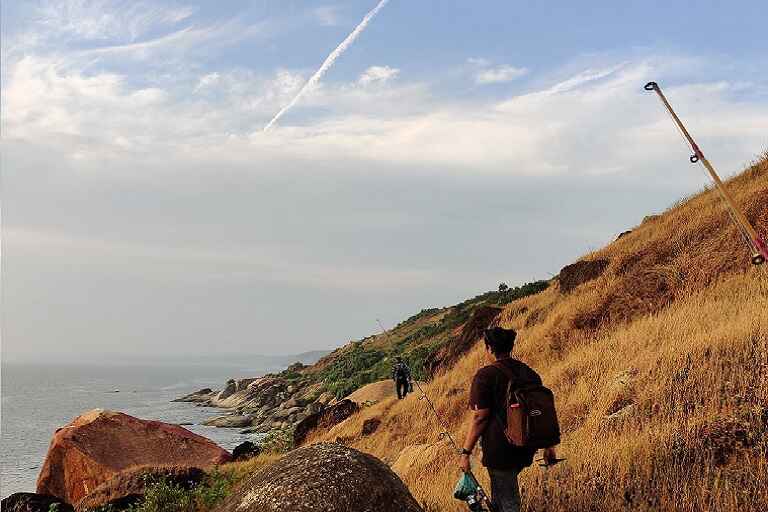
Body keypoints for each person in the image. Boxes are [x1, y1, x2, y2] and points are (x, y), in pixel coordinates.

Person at [459, 327, 558, 512]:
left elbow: (480, 417)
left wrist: (465, 453)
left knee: (508, 502)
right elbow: (542, 410)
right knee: (501, 499)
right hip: (526, 445)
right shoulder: (528, 372)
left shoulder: (485, 375)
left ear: (489, 348)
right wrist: (549, 446)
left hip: (500, 450)